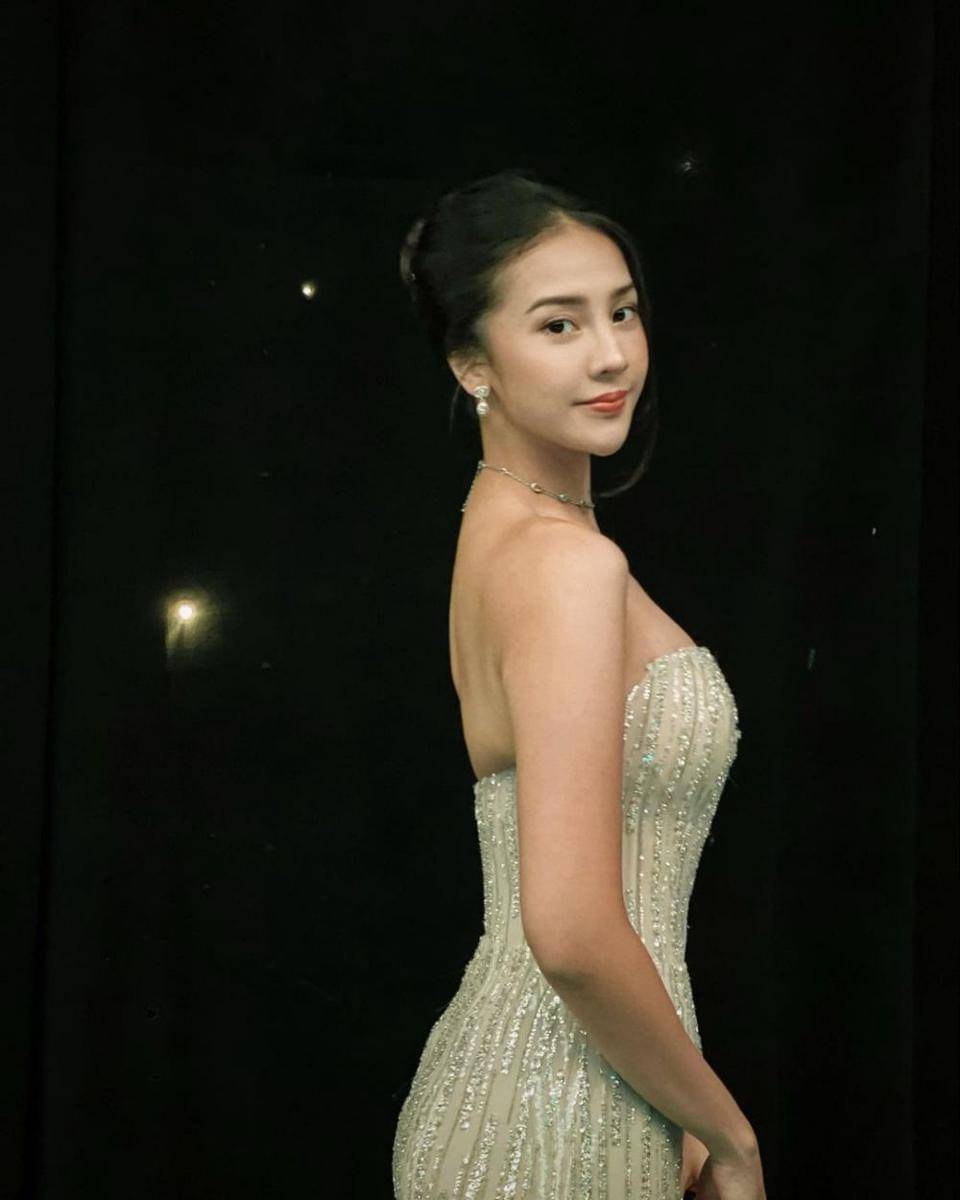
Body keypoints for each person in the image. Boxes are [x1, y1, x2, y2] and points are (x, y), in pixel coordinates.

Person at [391, 168, 767, 1200]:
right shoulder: (562, 565)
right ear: (473, 363)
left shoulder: (502, 530)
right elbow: (569, 931)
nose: (611, 355)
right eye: (559, 325)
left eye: (623, 312)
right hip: (555, 1116)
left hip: (574, 1095)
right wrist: (730, 1135)